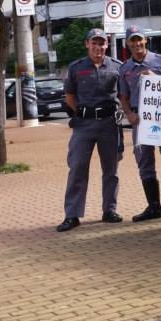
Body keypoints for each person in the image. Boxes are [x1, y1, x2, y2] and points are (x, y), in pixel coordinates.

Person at [56, 28, 124, 232]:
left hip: (109, 124)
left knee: (111, 170)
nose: (98, 47)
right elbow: (69, 97)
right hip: (83, 125)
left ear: (107, 44)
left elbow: (123, 95)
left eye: (102, 43)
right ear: (87, 44)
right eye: (94, 43)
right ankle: (72, 215)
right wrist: (83, 113)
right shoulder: (76, 67)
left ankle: (109, 210)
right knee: (77, 168)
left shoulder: (117, 67)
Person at [117, 25, 161, 224]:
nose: (137, 44)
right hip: (140, 120)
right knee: (144, 164)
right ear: (127, 43)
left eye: (140, 39)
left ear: (145, 40)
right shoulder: (125, 68)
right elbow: (123, 95)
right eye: (132, 40)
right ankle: (154, 206)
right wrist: (129, 113)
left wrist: (157, 79)